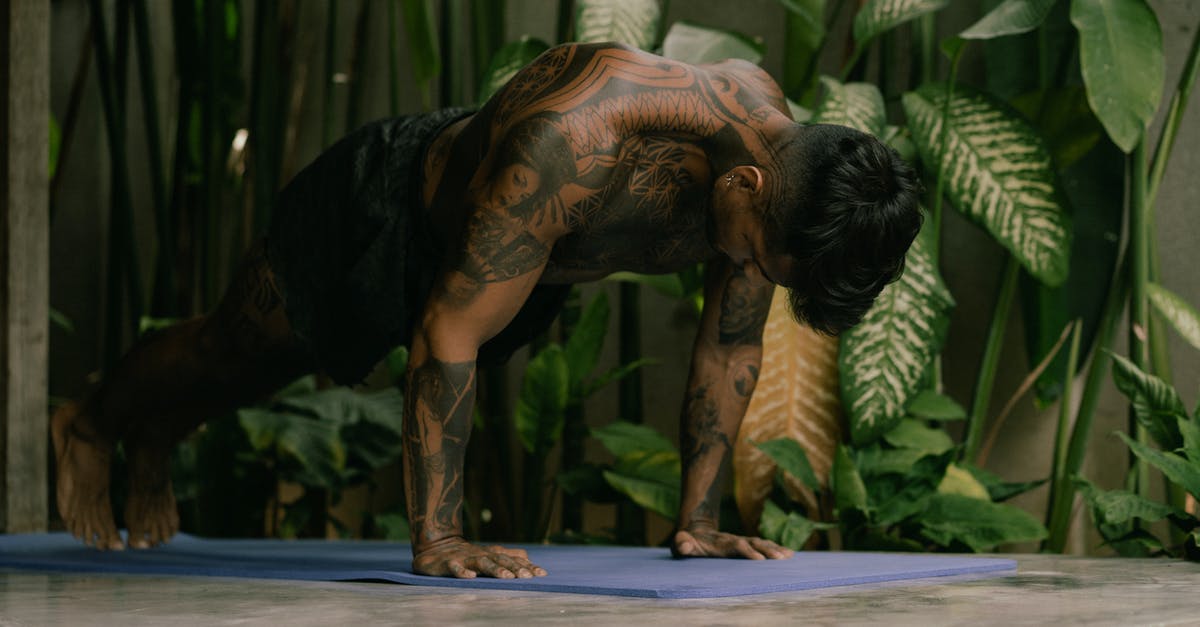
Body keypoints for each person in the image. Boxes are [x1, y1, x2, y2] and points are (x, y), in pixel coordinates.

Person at [52, 42, 921, 579]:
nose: (747, 272)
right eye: (755, 255)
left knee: (257, 370)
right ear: (745, 185)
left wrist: (696, 521)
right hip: (382, 208)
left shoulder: (788, 186)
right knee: (234, 354)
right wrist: (438, 535)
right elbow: (449, 327)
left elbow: (730, 345)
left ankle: (156, 436)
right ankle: (94, 425)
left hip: (519, 261)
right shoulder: (583, 135)